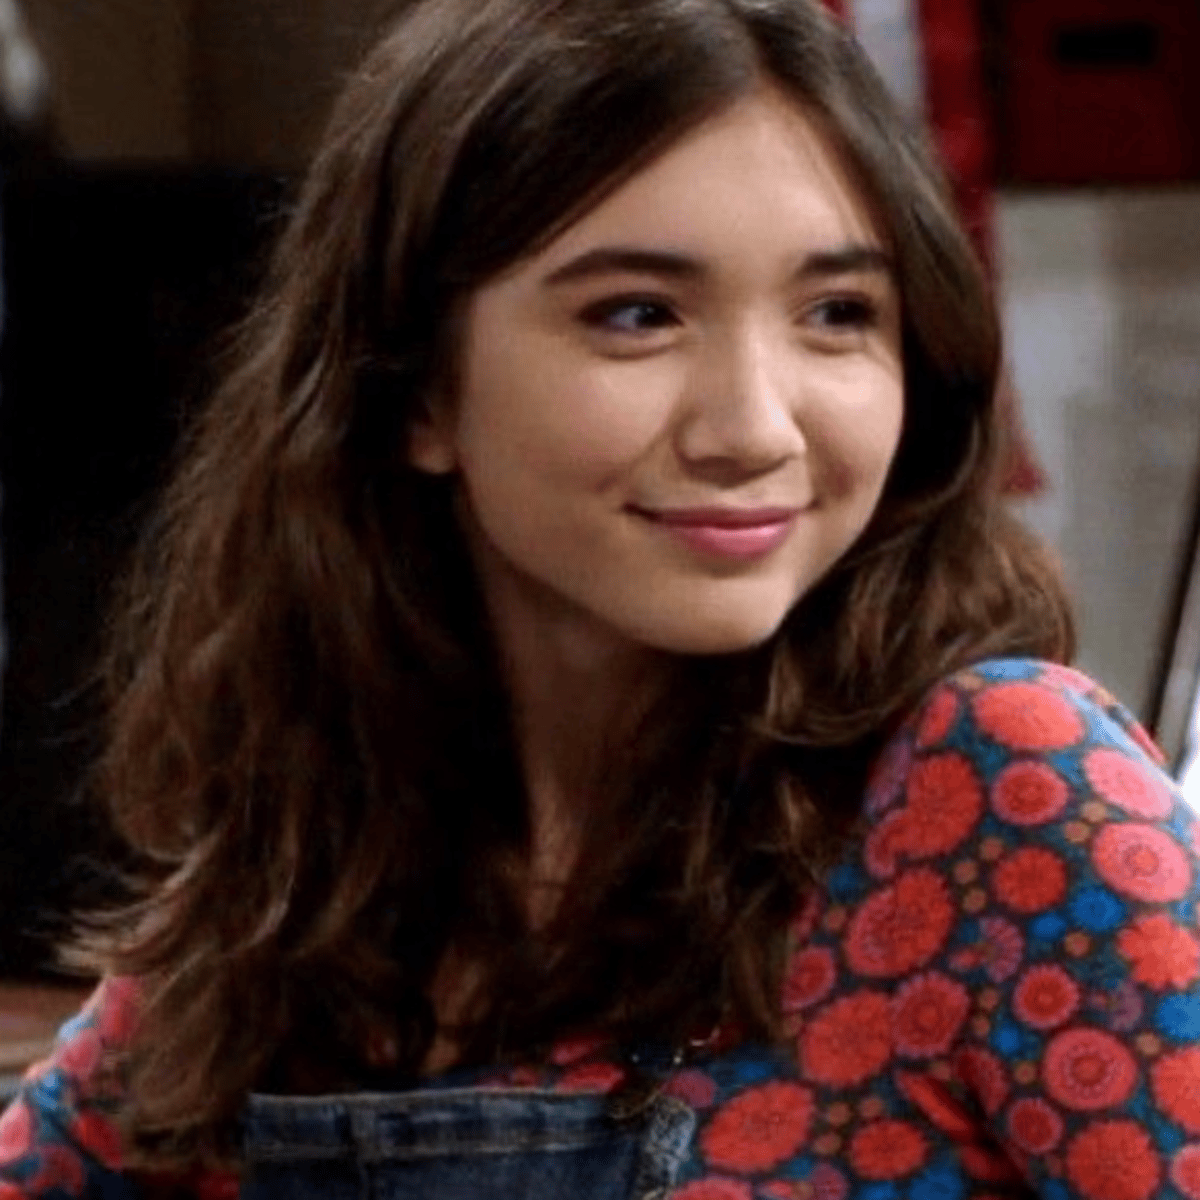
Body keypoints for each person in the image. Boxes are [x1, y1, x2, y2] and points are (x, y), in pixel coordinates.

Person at [1, 0, 1196, 1197]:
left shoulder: (999, 787)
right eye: (638, 316)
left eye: (838, 315)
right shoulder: (293, 891)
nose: (754, 429)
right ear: (416, 390)